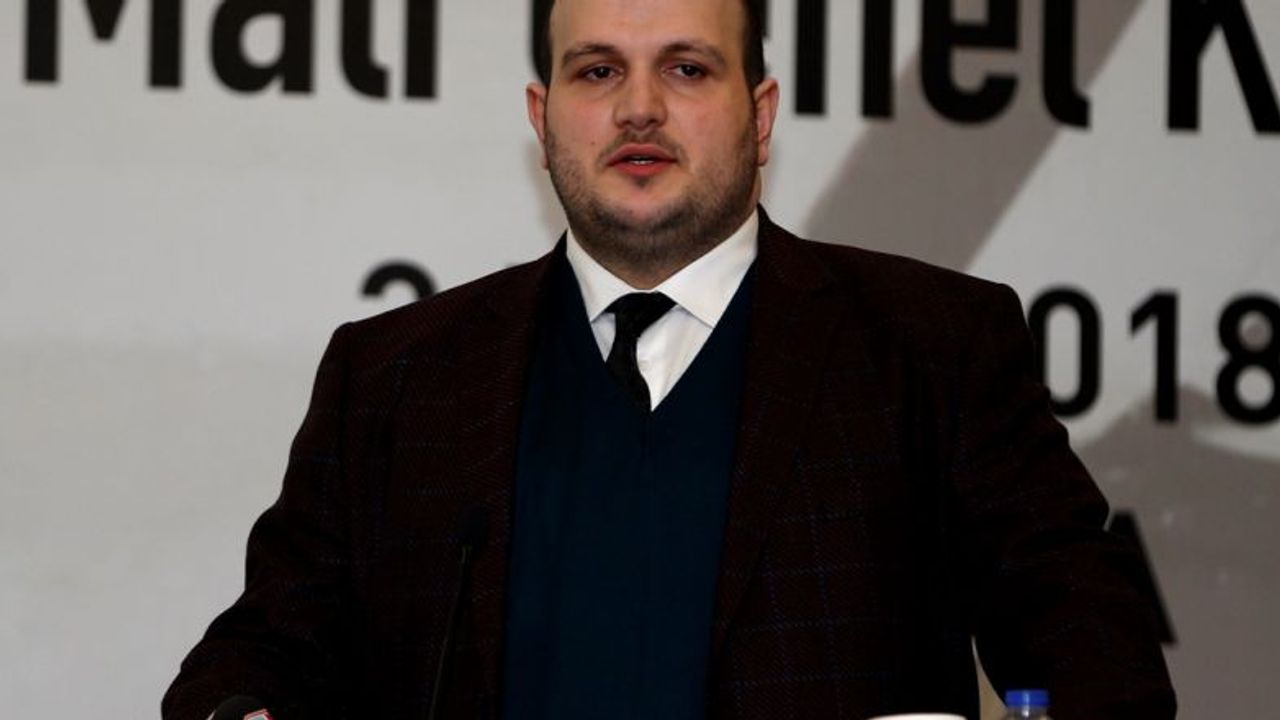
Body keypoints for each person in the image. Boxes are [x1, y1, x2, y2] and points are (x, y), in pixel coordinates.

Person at [164, 1, 1176, 718]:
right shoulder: (394, 377)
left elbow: (1095, 649)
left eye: (687, 69)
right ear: (541, 119)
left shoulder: (932, 348)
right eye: (596, 71)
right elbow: (258, 652)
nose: (638, 108)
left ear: (760, 115)